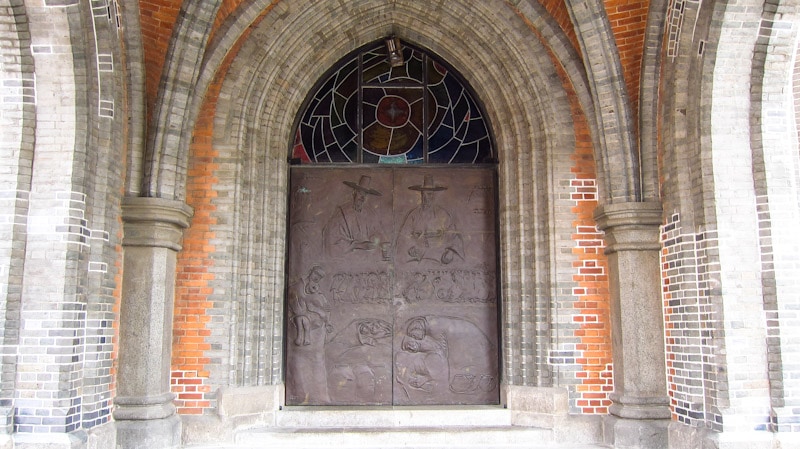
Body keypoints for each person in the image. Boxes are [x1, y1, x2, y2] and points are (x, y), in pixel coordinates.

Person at [396, 175, 464, 265]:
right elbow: (403, 237)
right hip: (418, 259)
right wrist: (411, 248)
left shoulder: (443, 214)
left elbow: (455, 237)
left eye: (429, 194)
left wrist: (450, 252)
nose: (425, 198)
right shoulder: (413, 215)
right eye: (423, 194)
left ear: (433, 195)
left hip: (439, 257)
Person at [323, 175, 385, 258]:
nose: (362, 197)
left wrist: (376, 240)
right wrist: (358, 245)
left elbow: (377, 232)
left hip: (367, 260)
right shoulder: (342, 213)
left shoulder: (369, 214)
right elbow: (332, 240)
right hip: (347, 261)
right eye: (360, 193)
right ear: (354, 193)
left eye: (365, 194)